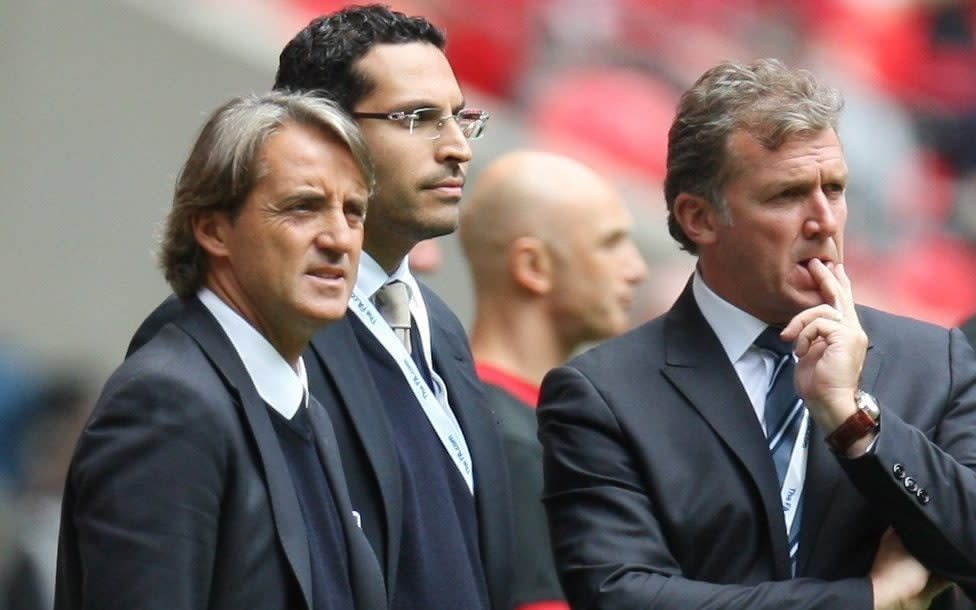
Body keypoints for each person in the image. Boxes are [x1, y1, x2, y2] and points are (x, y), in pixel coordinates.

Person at [537, 58, 976, 610]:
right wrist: (867, 601)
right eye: (787, 195)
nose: (825, 220)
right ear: (698, 218)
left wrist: (854, 420)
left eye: (835, 189)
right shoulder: (601, 396)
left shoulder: (938, 362)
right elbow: (622, 596)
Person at [130, 6, 513, 610]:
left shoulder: (435, 327)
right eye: (418, 119)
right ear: (324, 132)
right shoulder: (246, 339)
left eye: (462, 118)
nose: (458, 148)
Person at [58, 91, 385, 610]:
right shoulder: (168, 404)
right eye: (303, 206)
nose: (340, 239)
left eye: (354, 212)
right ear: (213, 229)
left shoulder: (303, 410)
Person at [458, 150, 648, 609]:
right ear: (533, 266)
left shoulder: (524, 418)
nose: (636, 269)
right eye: (610, 243)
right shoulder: (509, 439)